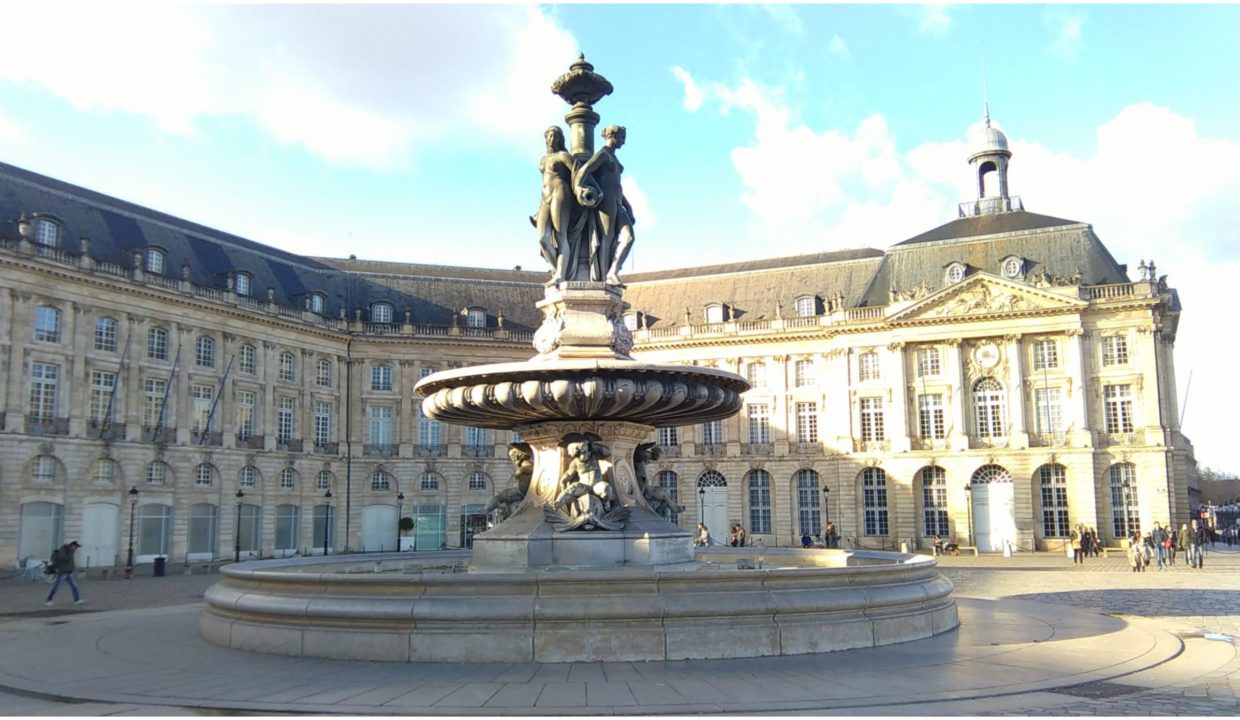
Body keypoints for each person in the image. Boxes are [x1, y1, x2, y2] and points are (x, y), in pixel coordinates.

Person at [573, 125, 635, 285]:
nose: (624, 142)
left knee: (629, 237)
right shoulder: (602, 155)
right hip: (606, 202)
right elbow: (583, 171)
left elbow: (617, 187)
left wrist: (628, 206)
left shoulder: (614, 158)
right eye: (622, 138)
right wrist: (580, 188)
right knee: (607, 238)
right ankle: (603, 277)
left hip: (617, 201)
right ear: (613, 136)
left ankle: (613, 270)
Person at [533, 125, 580, 286]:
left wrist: (582, 190)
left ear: (560, 139)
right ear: (546, 139)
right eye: (550, 136)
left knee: (561, 236)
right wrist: (538, 209)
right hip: (544, 198)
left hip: (560, 194)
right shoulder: (543, 159)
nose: (552, 139)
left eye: (555, 136)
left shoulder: (563, 156)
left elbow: (579, 173)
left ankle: (560, 274)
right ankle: (557, 270)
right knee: (543, 239)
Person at [45, 541, 84, 606]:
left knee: (74, 586)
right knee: (56, 587)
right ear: (72, 545)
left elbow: (71, 562)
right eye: (75, 547)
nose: (76, 549)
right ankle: (48, 600)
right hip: (62, 572)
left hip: (68, 572)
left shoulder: (71, 552)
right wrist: (69, 552)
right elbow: (63, 558)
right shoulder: (63, 550)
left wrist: (73, 568)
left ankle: (77, 600)